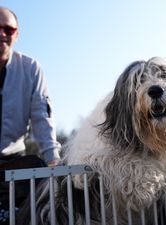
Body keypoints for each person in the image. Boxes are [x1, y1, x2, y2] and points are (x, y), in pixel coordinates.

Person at [0, 6, 61, 224]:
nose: (2, 34)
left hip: (14, 162)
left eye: (8, 29)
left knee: (38, 172)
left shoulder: (31, 68)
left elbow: (41, 117)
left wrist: (53, 158)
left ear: (16, 34)